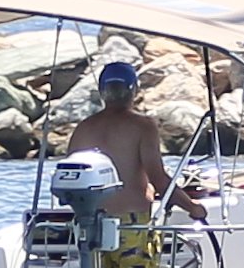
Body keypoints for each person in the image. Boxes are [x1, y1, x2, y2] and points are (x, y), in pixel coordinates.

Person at [60, 55, 173, 225]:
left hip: (88, 225)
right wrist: (193, 208)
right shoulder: (143, 126)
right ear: (135, 90)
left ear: (101, 91)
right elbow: (159, 180)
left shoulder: (83, 128)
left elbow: (71, 181)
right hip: (130, 223)